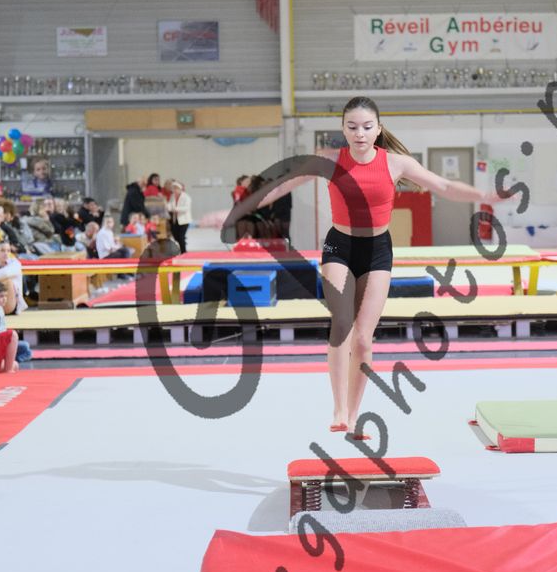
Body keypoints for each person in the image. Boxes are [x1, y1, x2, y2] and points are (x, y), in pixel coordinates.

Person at [225, 96, 495, 436]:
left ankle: (352, 416)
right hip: (339, 246)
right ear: (343, 129)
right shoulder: (329, 160)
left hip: (378, 251)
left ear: (378, 129)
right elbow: (281, 186)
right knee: (342, 323)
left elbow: (444, 186)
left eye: (367, 127)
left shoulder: (396, 163)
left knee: (364, 340)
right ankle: (338, 408)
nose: (360, 133)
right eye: (352, 127)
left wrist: (484, 196)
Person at [0, 280, 19, 374]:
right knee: (13, 335)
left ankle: (8, 367)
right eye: (1, 296)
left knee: (15, 365)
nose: (4, 299)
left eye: (5, 296)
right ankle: (8, 370)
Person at [168, 181, 192, 254]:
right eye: (174, 188)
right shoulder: (172, 196)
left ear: (180, 189)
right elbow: (170, 205)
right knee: (176, 236)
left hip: (184, 220)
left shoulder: (186, 197)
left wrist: (175, 209)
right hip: (175, 219)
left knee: (181, 237)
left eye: (176, 188)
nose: (175, 190)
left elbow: (186, 208)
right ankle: (181, 248)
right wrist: (169, 207)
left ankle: (183, 252)